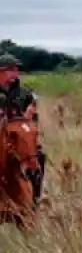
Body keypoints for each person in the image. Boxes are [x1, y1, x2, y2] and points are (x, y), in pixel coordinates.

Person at [0, 54, 44, 207]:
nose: (15, 73)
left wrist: (26, 118)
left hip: (20, 139)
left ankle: (35, 199)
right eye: (10, 69)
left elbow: (33, 123)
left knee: (38, 156)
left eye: (16, 69)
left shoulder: (25, 94)